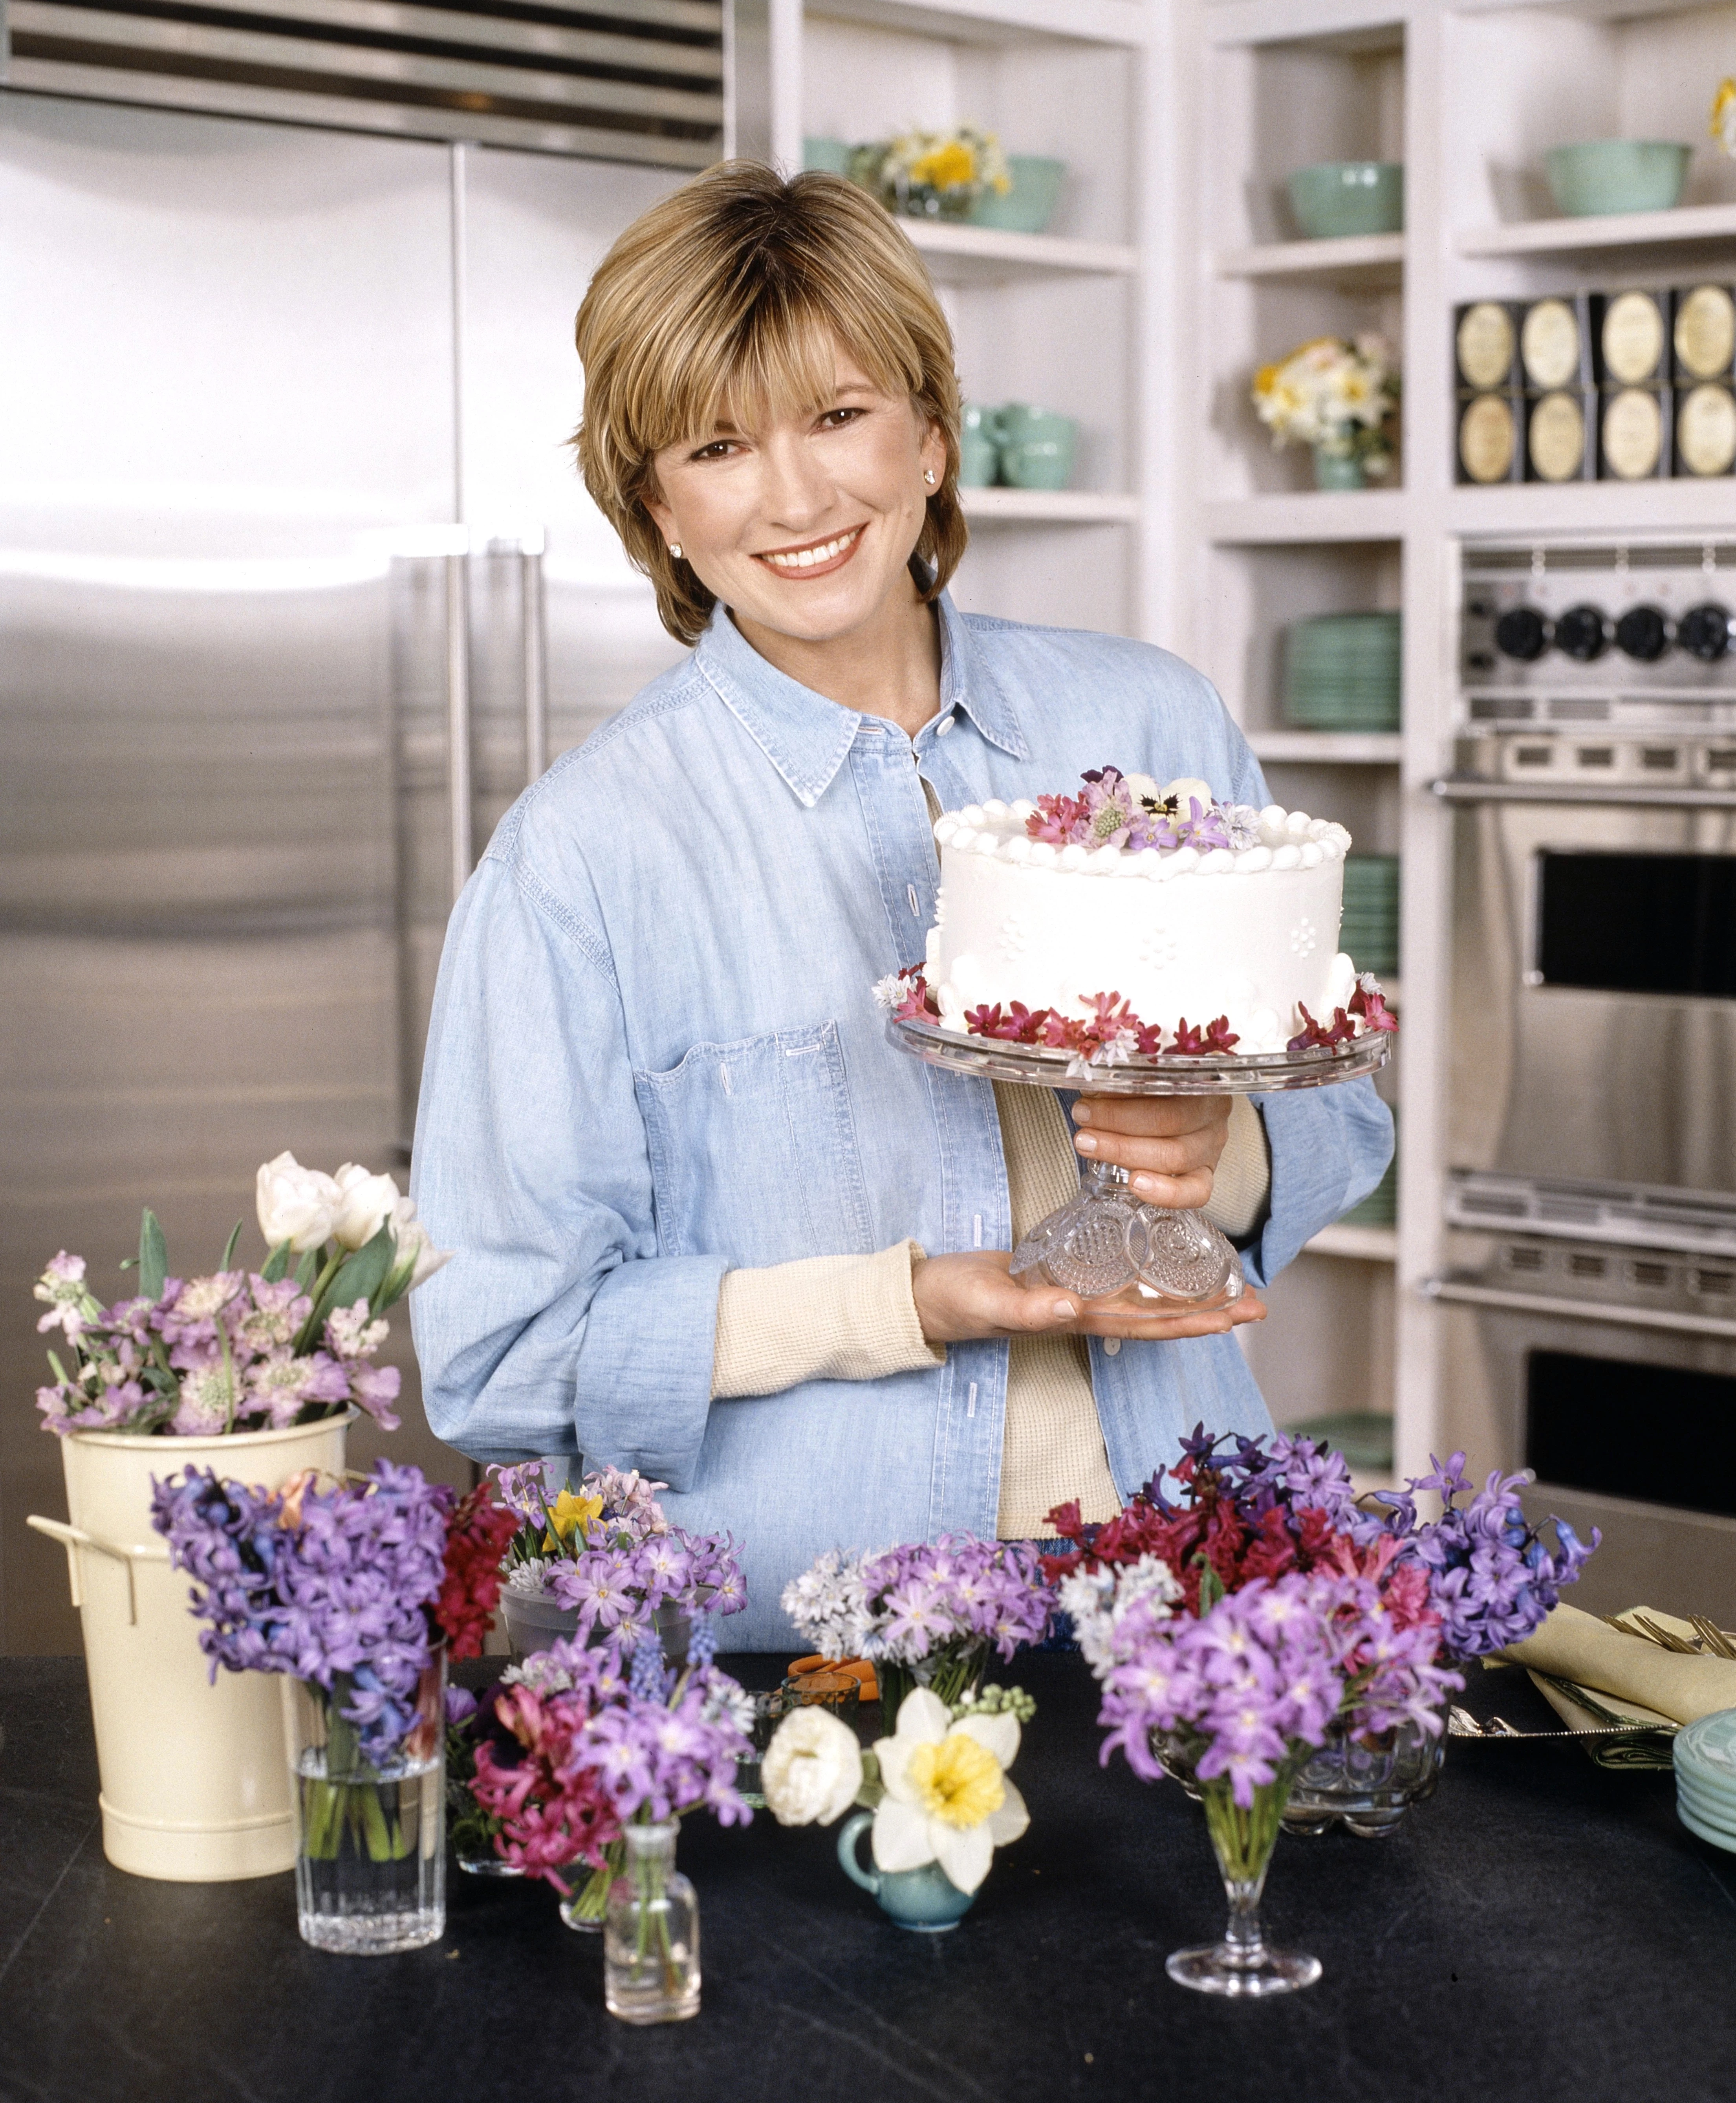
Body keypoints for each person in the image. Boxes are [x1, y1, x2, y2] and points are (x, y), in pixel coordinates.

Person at [409, 162, 1393, 1649]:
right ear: (657, 507)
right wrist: (906, 1302)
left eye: (840, 415)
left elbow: (1341, 1113)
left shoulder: (1152, 720)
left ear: (931, 436)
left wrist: (1222, 1153)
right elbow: (498, 1355)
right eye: (719, 445)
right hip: (809, 1668)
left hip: (1185, 1624)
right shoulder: (582, 859)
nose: (795, 497)